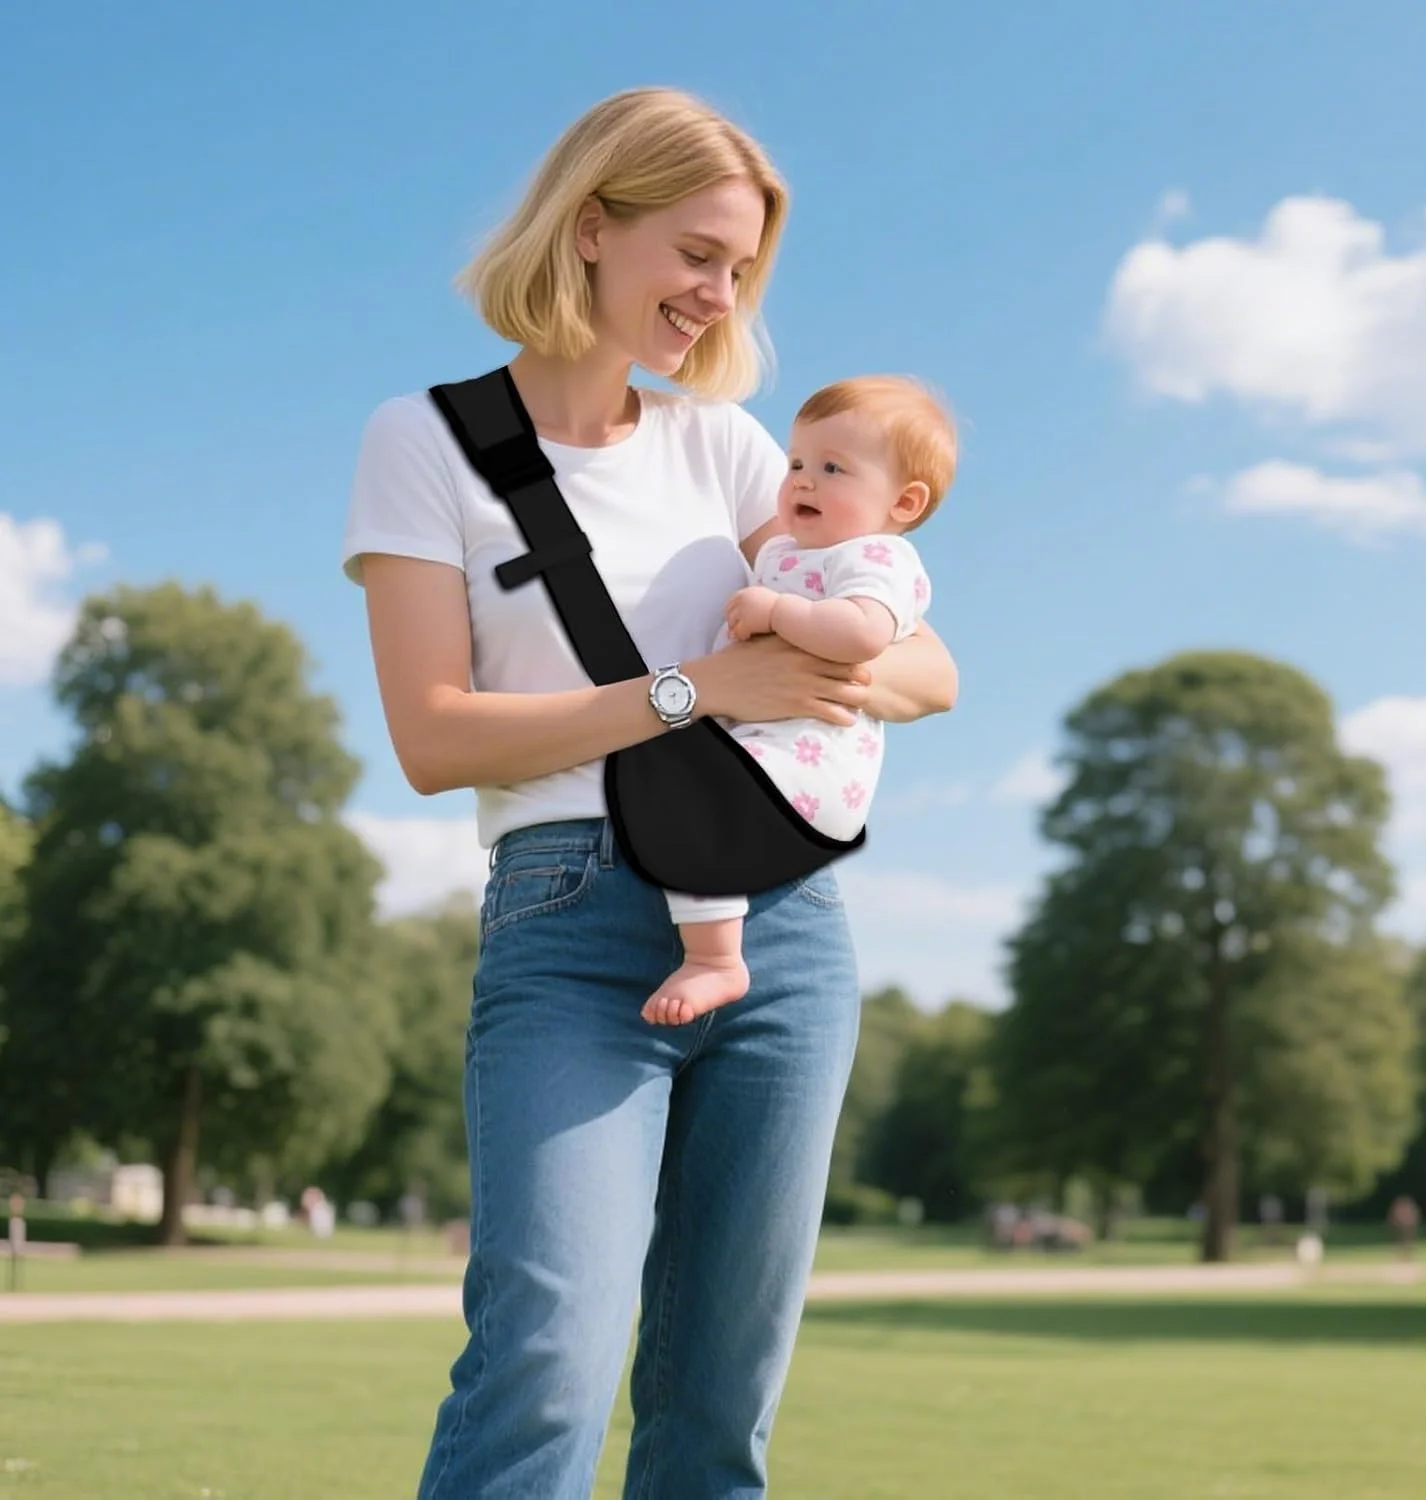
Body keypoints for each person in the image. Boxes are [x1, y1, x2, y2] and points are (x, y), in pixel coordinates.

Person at [341, 86, 957, 1499]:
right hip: (565, 917)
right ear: (592, 227)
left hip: (784, 931)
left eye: (738, 269)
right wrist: (698, 693)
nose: (716, 295)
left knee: (717, 1400)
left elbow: (931, 670)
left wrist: (836, 652)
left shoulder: (730, 448)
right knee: (545, 1362)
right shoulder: (423, 442)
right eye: (695, 254)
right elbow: (434, 739)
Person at [644, 375, 952, 1025]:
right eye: (797, 463)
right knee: (689, 798)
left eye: (833, 468)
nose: (804, 480)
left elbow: (863, 633)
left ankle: (718, 960)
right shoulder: (785, 550)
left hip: (820, 759)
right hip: (771, 741)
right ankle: (710, 949)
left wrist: (777, 611)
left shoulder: (879, 558)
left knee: (699, 802)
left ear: (904, 502)